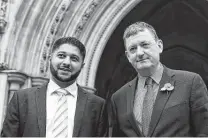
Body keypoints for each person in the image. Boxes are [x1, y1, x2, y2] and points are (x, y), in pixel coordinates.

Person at [110, 21, 208, 137]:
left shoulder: (190, 82)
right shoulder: (119, 98)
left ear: (160, 46)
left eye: (145, 45)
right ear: (128, 56)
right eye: (133, 49)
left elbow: (204, 132)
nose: (139, 53)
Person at [1, 37, 108, 137]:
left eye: (74, 59)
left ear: (82, 66)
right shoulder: (22, 99)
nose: (66, 62)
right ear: (50, 58)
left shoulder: (97, 106)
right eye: (61, 56)